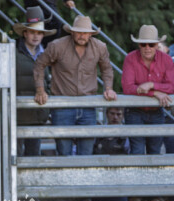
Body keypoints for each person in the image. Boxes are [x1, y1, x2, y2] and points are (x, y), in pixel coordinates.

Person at [34, 15, 116, 156]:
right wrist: (40, 90)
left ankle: (83, 171)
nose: (82, 35)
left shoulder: (100, 47)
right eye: (78, 32)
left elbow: (107, 69)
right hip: (62, 105)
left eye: (85, 32)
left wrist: (108, 88)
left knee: (86, 152)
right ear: (72, 32)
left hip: (88, 105)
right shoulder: (57, 46)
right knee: (64, 152)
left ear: (90, 34)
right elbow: (39, 64)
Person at [122, 25, 174, 155]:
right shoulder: (130, 59)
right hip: (134, 111)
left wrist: (151, 85)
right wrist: (155, 93)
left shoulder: (166, 60)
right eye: (143, 44)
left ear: (157, 45)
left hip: (156, 111)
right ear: (139, 45)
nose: (147, 48)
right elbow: (128, 88)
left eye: (151, 44)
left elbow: (172, 87)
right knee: (137, 151)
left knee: (155, 152)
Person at [13, 7, 54, 156]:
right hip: (18, 114)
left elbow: (49, 82)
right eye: (32, 32)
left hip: (37, 113)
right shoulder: (13, 52)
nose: (36, 36)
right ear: (25, 33)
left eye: (39, 33)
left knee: (34, 156)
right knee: (15, 156)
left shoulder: (46, 54)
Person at [93, 107, 128, 201]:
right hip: (99, 178)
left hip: (119, 179)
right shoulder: (98, 133)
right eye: (112, 114)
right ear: (106, 114)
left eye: (118, 114)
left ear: (123, 116)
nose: (115, 117)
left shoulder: (128, 135)